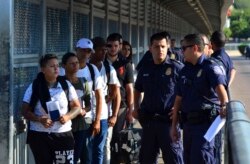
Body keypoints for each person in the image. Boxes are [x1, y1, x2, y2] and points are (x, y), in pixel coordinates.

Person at [171, 33, 228, 164]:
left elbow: (222, 92)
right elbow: (178, 100)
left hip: (205, 126)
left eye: (184, 48)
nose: (181, 51)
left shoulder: (210, 67)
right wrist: (174, 126)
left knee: (202, 158)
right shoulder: (185, 70)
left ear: (195, 48)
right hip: (188, 125)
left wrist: (224, 105)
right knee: (189, 159)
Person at [132, 32, 184, 164]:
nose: (160, 50)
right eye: (156, 46)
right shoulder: (145, 68)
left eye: (162, 46)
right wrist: (136, 107)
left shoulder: (177, 68)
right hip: (148, 122)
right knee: (146, 160)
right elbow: (137, 89)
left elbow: (187, 91)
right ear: (150, 48)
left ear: (168, 47)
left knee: (175, 160)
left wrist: (180, 109)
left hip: (168, 123)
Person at [22, 54, 81, 164]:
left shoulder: (65, 85)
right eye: (52, 66)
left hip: (63, 134)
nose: (56, 68)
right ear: (43, 69)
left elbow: (77, 107)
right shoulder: (34, 86)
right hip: (40, 135)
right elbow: (25, 111)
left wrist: (67, 116)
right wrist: (39, 119)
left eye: (57, 66)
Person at [89, 37, 121, 164]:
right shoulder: (84, 67)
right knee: (87, 148)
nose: (104, 53)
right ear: (92, 51)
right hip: (86, 115)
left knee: (101, 148)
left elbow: (115, 93)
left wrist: (112, 113)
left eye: (105, 50)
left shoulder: (109, 69)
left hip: (103, 116)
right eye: (101, 50)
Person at [105, 33, 134, 163]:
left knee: (117, 139)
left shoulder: (126, 64)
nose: (112, 48)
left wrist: (130, 109)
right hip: (103, 106)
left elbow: (129, 88)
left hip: (121, 106)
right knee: (105, 139)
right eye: (109, 45)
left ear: (119, 46)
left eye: (115, 45)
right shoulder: (101, 62)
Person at [210, 31, 236, 164]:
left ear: (212, 44)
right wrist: (227, 84)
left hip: (217, 103)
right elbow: (233, 70)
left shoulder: (214, 59)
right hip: (222, 101)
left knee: (214, 141)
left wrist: (223, 85)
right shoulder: (226, 56)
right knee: (218, 141)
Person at [61, 52, 91, 164]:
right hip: (66, 126)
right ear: (64, 66)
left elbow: (89, 104)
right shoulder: (60, 82)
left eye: (77, 63)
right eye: (71, 63)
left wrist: (84, 110)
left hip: (81, 125)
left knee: (84, 157)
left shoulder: (84, 81)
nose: (75, 65)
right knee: (70, 158)